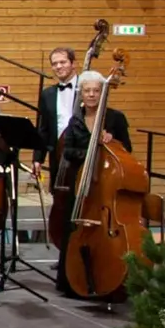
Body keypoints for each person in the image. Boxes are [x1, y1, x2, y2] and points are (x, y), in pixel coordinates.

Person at [51, 69, 133, 299]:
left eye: (96, 91)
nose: (91, 95)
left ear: (102, 93)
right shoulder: (75, 120)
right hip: (81, 183)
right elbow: (67, 153)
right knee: (74, 229)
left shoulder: (115, 118)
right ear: (81, 94)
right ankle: (72, 282)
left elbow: (127, 149)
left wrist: (111, 141)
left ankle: (110, 279)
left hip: (106, 184)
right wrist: (88, 149)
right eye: (87, 91)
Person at [37, 46, 81, 172]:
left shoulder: (87, 88)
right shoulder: (47, 94)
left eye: (63, 62)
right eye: (54, 64)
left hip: (83, 153)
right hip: (57, 154)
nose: (58, 66)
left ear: (73, 64)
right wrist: (38, 159)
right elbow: (43, 129)